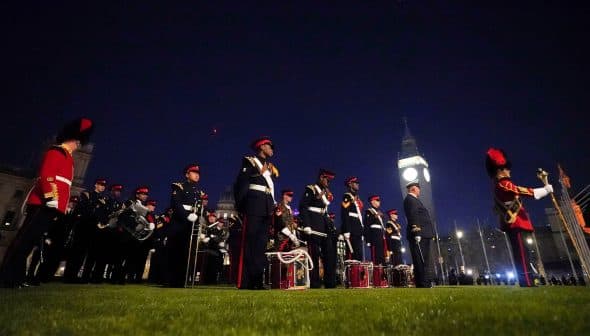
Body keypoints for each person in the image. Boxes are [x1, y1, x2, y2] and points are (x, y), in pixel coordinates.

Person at [0, 118, 93, 288]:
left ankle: (16, 277)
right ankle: (7, 276)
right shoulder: (55, 152)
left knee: (30, 242)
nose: (78, 146)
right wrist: (51, 198)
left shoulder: (68, 158)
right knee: (23, 241)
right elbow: (47, 176)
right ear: (71, 139)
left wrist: (60, 206)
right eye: (77, 142)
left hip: (52, 207)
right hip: (43, 204)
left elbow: (64, 184)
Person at [486, 147, 552, 287]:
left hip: (517, 222)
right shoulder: (502, 184)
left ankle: (527, 279)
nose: (509, 171)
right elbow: (519, 190)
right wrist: (543, 190)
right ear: (499, 170)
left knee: (524, 253)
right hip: (515, 223)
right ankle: (526, 281)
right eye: (506, 168)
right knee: (521, 254)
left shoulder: (502, 184)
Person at [233, 136, 278, 290]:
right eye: (269, 146)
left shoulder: (268, 166)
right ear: (261, 147)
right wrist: (241, 207)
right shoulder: (250, 162)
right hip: (253, 206)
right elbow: (241, 184)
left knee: (260, 246)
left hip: (265, 207)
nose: (272, 149)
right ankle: (246, 281)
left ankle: (257, 281)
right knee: (250, 244)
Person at [167, 164, 206, 288]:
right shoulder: (179, 187)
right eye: (193, 172)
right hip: (179, 223)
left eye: (198, 173)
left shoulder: (198, 191)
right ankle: (172, 280)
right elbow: (176, 204)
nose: (197, 175)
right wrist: (186, 215)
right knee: (176, 252)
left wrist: (198, 217)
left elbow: (200, 207)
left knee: (186, 253)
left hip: (191, 223)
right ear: (187, 175)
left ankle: (182, 280)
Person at [299, 169, 337, 289]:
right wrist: (307, 225)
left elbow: (324, 209)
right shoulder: (311, 189)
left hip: (324, 223)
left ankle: (330, 283)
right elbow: (303, 206)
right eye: (327, 179)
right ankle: (315, 283)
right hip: (313, 223)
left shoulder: (326, 192)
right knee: (314, 256)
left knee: (329, 255)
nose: (328, 182)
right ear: (321, 178)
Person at [403, 179, 434, 288]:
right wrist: (417, 232)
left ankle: (424, 282)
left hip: (424, 234)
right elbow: (413, 215)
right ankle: (423, 283)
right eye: (418, 189)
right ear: (414, 189)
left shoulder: (414, 200)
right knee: (420, 260)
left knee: (424, 259)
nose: (419, 191)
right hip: (419, 234)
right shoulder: (410, 199)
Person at [340, 176, 364, 261]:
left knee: (359, 253)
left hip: (357, 227)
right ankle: (351, 274)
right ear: (350, 184)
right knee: (352, 254)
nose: (358, 184)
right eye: (355, 183)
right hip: (351, 228)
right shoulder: (347, 196)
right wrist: (346, 230)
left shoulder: (357, 197)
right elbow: (345, 213)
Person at [365, 195, 386, 266]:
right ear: (372, 202)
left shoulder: (379, 212)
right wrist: (367, 239)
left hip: (380, 234)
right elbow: (367, 224)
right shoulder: (369, 211)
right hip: (374, 236)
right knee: (375, 255)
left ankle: (382, 271)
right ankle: (377, 273)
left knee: (382, 254)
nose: (379, 202)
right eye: (377, 200)